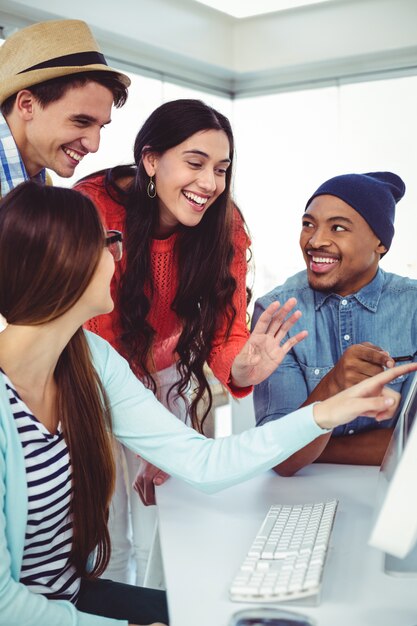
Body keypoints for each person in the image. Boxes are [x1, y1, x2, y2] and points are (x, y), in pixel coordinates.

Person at [0, 181, 413, 626]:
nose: (118, 258)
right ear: (65, 262)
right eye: (107, 243)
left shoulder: (88, 358)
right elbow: (7, 606)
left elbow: (204, 462)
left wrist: (325, 412)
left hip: (72, 597)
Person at [74, 98, 308, 585]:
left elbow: (226, 328)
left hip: (168, 379)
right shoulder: (92, 207)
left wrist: (241, 369)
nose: (210, 184)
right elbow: (94, 329)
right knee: (106, 534)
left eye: (221, 169)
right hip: (91, 375)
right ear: (151, 160)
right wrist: (153, 431)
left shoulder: (226, 225)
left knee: (169, 525)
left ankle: (162, 613)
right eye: (195, 163)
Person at [252, 171, 417, 476]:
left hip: (394, 499)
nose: (315, 241)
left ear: (380, 242)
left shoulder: (413, 306)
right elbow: (278, 456)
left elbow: (415, 445)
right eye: (308, 225)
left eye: (338, 228)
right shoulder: (277, 311)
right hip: (299, 500)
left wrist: (316, 446)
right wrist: (334, 384)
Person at [0, 18, 129, 197]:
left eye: (101, 126)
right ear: (27, 105)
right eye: (81, 121)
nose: (94, 145)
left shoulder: (41, 184)